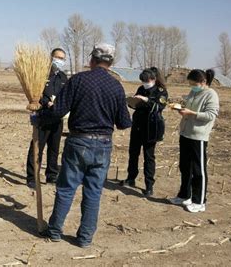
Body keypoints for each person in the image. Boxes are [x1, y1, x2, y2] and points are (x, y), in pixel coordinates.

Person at [38, 43, 132, 248]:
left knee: (66, 188)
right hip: (104, 145)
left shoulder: (78, 80)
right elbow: (124, 122)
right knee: (93, 192)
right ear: (111, 63)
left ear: (92, 60)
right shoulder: (116, 86)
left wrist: (39, 117)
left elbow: (57, 111)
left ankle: (54, 231)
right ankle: (85, 238)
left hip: (78, 142)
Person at [168, 69, 219, 213]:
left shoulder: (211, 94)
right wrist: (181, 109)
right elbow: (189, 108)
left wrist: (191, 113)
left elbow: (211, 115)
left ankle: (199, 201)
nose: (192, 86)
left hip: (198, 136)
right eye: (190, 84)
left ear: (203, 82)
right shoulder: (193, 92)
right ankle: (184, 195)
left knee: (198, 170)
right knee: (185, 167)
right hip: (185, 133)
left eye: (194, 84)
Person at [120, 67, 168, 197]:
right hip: (137, 125)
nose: (144, 83)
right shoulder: (141, 89)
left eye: (146, 80)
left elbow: (159, 106)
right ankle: (131, 178)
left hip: (151, 127)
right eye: (142, 81)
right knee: (133, 153)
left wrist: (146, 100)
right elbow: (135, 104)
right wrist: (132, 101)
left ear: (153, 79)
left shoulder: (161, 91)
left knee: (149, 157)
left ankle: (149, 185)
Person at [25, 48, 68, 188]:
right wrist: (46, 102)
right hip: (43, 117)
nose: (60, 61)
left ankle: (51, 175)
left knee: (54, 148)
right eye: (58, 58)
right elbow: (36, 93)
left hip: (57, 118)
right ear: (51, 58)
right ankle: (32, 177)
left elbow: (66, 95)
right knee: (37, 147)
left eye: (62, 59)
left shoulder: (63, 77)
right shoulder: (42, 74)